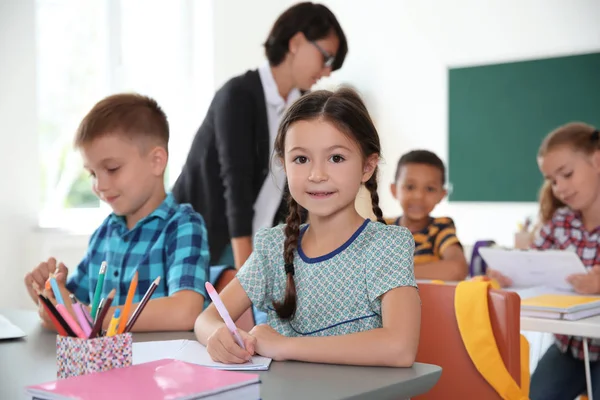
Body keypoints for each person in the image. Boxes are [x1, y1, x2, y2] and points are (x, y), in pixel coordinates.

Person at [194, 88, 421, 367]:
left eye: (336, 158)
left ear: (367, 166)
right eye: (301, 159)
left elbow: (400, 348)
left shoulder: (387, 246)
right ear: (284, 165)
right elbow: (206, 319)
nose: (316, 175)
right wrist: (217, 335)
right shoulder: (273, 248)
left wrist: (285, 346)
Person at [171, 2, 348, 271]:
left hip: (255, 242)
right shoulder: (238, 95)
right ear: (296, 42)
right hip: (206, 240)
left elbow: (297, 189)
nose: (327, 71)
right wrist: (246, 278)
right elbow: (236, 185)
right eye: (326, 57)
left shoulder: (301, 108)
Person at [23, 93, 210, 332]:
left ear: (156, 161)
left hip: (160, 367)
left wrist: (90, 316)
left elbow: (185, 312)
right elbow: (75, 304)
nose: (99, 185)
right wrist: (49, 295)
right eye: (92, 173)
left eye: (111, 169)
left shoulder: (183, 226)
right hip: (105, 366)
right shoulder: (104, 234)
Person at [488, 122, 600, 400]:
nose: (559, 187)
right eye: (552, 180)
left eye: (566, 174)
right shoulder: (559, 222)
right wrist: (510, 274)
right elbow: (533, 265)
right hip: (568, 347)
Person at [386, 150, 468, 281]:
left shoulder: (440, 228)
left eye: (429, 189)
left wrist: (388, 272)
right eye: (410, 187)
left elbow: (457, 269)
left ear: (442, 195)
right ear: (394, 190)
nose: (419, 196)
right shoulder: (381, 227)